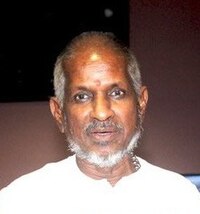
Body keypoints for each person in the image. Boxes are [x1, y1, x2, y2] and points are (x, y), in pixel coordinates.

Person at [0, 31, 199, 214]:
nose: (102, 113)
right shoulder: (20, 201)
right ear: (59, 113)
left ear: (141, 104)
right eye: (82, 97)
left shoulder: (181, 198)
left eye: (116, 93)